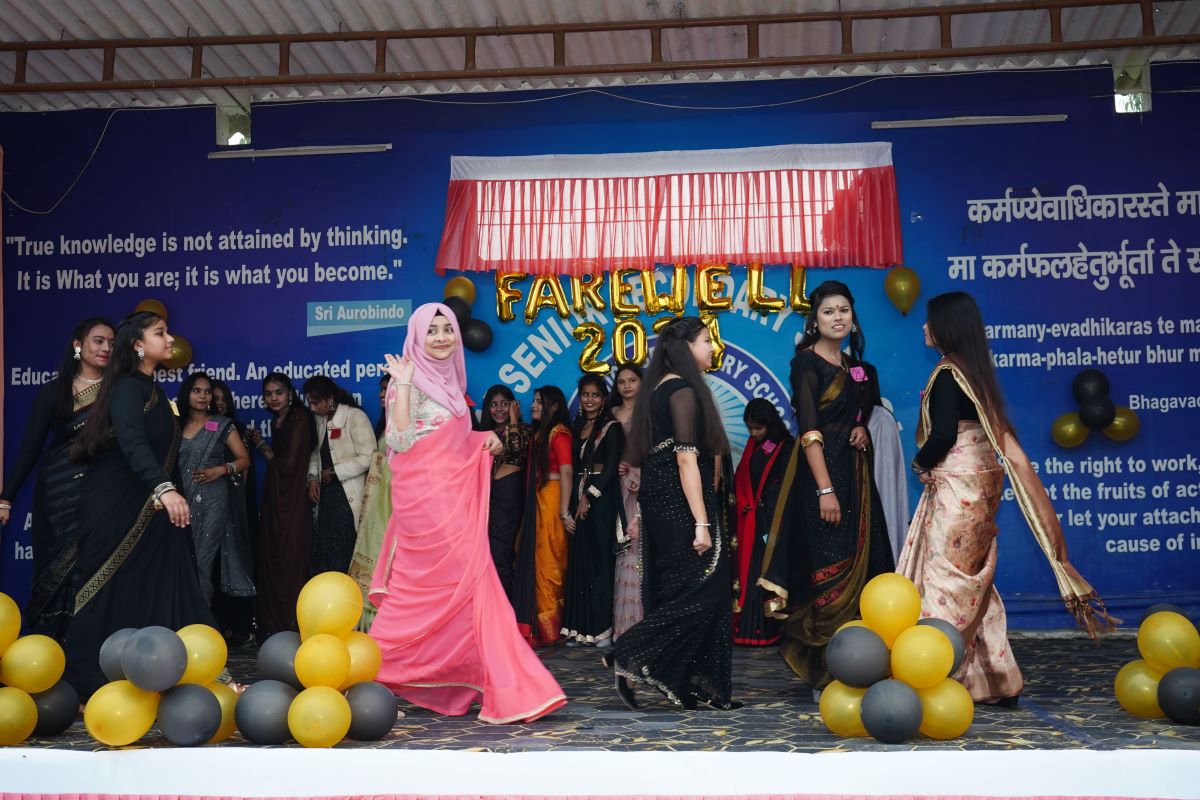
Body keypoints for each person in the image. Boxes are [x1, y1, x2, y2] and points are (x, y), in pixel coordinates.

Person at [897, 291, 1112, 704]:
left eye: (930, 321)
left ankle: (940, 675)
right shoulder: (974, 372)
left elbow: (943, 435)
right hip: (981, 488)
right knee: (974, 583)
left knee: (943, 583)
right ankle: (992, 679)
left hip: (957, 488)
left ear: (946, 327)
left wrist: (920, 463)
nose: (924, 327)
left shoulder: (948, 374)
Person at [369, 302, 566, 723]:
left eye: (448, 329)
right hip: (426, 504)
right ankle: (376, 669)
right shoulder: (410, 379)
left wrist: (484, 440)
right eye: (431, 331)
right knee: (430, 589)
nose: (441, 338)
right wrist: (402, 384)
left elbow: (449, 440)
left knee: (464, 588)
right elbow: (400, 441)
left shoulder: (452, 385)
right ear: (416, 336)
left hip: (452, 498)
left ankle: (492, 682)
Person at [64, 311, 215, 698]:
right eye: (160, 333)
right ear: (137, 345)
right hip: (118, 506)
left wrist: (167, 493)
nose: (170, 339)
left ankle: (174, 677)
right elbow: (132, 442)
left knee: (160, 585)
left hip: (152, 507)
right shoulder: (128, 388)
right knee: (106, 588)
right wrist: (164, 489)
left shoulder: (153, 390)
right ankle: (89, 683)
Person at [759, 280, 893, 698]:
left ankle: (865, 666)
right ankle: (828, 671)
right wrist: (824, 490)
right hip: (822, 475)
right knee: (828, 567)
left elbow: (863, 413)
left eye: (844, 310)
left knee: (865, 564)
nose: (838, 318)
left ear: (853, 317)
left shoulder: (860, 368)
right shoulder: (806, 364)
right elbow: (808, 429)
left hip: (856, 476)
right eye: (828, 311)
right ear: (814, 320)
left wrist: (861, 428)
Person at [608, 316, 736, 711]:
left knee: (680, 589)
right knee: (709, 588)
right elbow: (685, 459)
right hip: (681, 503)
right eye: (705, 341)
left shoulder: (656, 389)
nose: (712, 348)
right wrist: (702, 522)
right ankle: (628, 652)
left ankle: (691, 684)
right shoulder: (681, 390)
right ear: (685, 347)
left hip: (660, 501)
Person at [1, 317, 112, 636]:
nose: (106, 348)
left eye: (111, 343)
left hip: (103, 489)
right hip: (59, 490)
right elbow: (30, 448)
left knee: (97, 563)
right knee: (57, 565)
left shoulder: (119, 390)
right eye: (98, 341)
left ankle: (88, 639)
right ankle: (52, 638)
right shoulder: (54, 391)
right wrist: (6, 498)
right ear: (78, 345)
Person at [177, 372, 253, 606]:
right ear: (187, 393)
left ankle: (201, 612)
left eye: (207, 392)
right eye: (196, 391)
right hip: (182, 501)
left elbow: (244, 460)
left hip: (213, 500)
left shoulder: (220, 425)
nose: (203, 396)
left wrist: (220, 470)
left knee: (202, 559)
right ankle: (188, 613)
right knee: (183, 559)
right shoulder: (176, 425)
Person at [251, 372, 315, 641]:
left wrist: (269, 454)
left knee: (290, 555)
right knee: (275, 554)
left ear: (290, 393)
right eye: (268, 394)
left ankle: (292, 622)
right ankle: (275, 622)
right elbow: (279, 460)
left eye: (279, 392)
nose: (273, 398)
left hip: (293, 498)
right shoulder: (277, 421)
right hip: (277, 496)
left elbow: (289, 465)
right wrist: (260, 444)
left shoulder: (299, 418)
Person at [561, 374, 624, 647]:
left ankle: (602, 629)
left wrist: (589, 497)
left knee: (599, 563)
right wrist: (572, 506)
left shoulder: (612, 428)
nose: (589, 400)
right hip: (578, 497)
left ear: (604, 398)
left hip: (601, 501)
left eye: (595, 395)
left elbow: (610, 469)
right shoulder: (576, 427)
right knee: (580, 564)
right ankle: (579, 630)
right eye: (585, 394)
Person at [510, 385, 573, 646]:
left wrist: (564, 511)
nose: (533, 405)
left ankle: (550, 630)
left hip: (552, 499)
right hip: (539, 499)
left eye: (538, 401)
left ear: (554, 406)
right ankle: (536, 627)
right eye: (534, 401)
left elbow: (567, 471)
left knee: (549, 562)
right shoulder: (539, 433)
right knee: (535, 559)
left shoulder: (559, 433)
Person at [732, 398, 792, 646]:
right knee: (751, 571)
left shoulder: (786, 447)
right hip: (753, 519)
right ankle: (748, 629)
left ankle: (767, 630)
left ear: (770, 424)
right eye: (750, 428)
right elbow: (742, 478)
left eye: (758, 428)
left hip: (774, 519)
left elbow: (788, 487)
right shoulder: (753, 445)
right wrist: (744, 501)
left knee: (767, 570)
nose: (754, 433)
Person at [304, 375, 376, 575]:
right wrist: (312, 478)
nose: (312, 408)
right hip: (327, 498)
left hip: (348, 497)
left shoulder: (355, 416)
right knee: (325, 552)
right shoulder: (320, 420)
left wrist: (336, 472)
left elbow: (369, 456)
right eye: (310, 403)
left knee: (345, 552)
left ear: (330, 399)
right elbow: (315, 453)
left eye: (316, 403)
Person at [210, 378, 258, 646]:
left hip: (232, 505)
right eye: (213, 397)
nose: (218, 403)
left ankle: (240, 626)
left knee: (235, 562)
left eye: (222, 398)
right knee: (212, 566)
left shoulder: (234, 428)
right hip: (203, 507)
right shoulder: (199, 427)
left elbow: (244, 471)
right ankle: (217, 627)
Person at [474, 384, 529, 594]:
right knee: (486, 553)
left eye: (504, 404)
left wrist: (514, 418)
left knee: (501, 553)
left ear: (513, 405)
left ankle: (504, 605)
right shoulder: (485, 434)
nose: (499, 409)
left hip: (507, 499)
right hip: (487, 499)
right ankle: (488, 602)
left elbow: (516, 449)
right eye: (494, 404)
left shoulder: (523, 429)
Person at [350, 375, 392, 630]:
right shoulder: (385, 424)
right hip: (377, 505)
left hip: (394, 505)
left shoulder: (409, 426)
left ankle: (386, 625)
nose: (381, 394)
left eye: (387, 388)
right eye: (381, 389)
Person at [610, 364, 644, 641]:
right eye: (622, 381)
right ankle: (619, 624)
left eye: (632, 380)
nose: (627, 386)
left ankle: (639, 623)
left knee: (636, 548)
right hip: (614, 485)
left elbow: (653, 449)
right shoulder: (611, 414)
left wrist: (637, 474)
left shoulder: (648, 413)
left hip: (639, 484)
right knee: (617, 549)